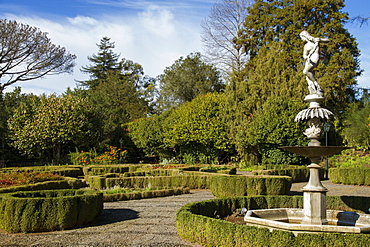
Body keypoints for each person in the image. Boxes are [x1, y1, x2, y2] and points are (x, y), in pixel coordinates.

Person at [300, 31, 329, 97]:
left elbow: (327, 40)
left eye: (301, 37)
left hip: (315, 58)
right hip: (309, 60)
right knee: (308, 76)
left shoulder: (315, 41)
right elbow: (304, 54)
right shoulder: (306, 46)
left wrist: (320, 40)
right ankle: (314, 88)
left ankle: (316, 84)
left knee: (305, 71)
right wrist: (306, 57)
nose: (302, 39)